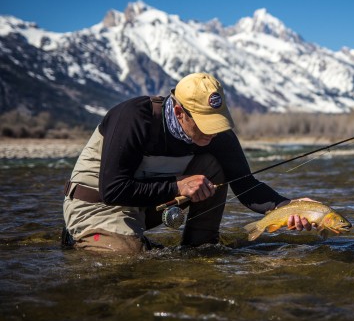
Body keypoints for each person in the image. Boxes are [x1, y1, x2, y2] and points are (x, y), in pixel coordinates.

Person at [62, 72, 313, 253]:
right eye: (205, 124)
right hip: (97, 204)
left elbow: (246, 185)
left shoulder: (215, 135)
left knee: (214, 166)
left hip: (145, 203)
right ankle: (83, 238)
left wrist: (288, 206)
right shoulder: (134, 118)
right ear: (180, 112)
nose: (212, 133)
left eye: (216, 122)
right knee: (130, 256)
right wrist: (178, 186)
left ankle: (200, 247)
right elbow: (113, 190)